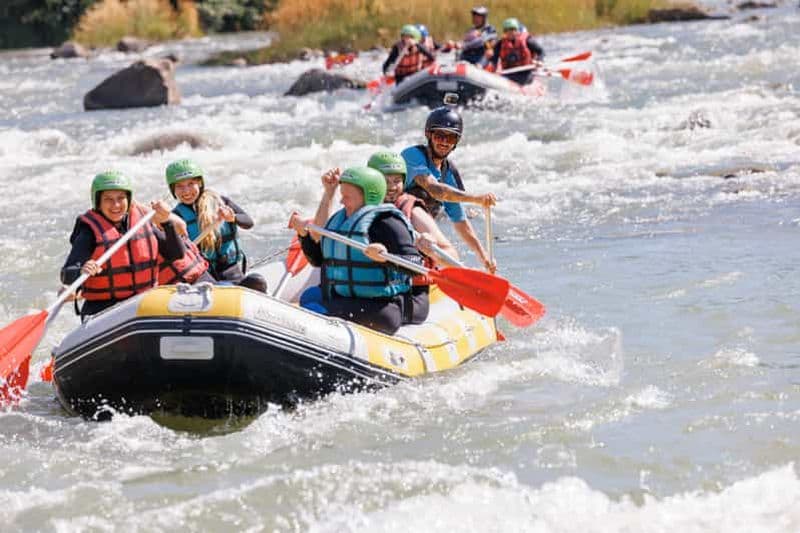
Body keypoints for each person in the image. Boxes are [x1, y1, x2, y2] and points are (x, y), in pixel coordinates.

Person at [288, 167, 428, 335]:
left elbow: (416, 264)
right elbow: (318, 260)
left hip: (382, 308)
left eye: (346, 197)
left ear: (369, 196)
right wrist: (304, 236)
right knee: (309, 296)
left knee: (312, 307)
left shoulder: (387, 222)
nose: (341, 202)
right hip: (348, 299)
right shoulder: (341, 219)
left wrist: (387, 258)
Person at [61, 171, 187, 318]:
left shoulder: (140, 221)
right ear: (98, 202)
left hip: (143, 302)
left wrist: (166, 222)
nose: (116, 205)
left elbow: (176, 254)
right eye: (108, 199)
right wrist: (82, 270)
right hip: (104, 308)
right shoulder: (88, 232)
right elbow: (66, 274)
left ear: (129, 199)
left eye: (121, 198)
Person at [401, 106, 497, 273]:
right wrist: (476, 199)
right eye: (439, 136)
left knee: (452, 254)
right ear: (428, 134)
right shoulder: (413, 155)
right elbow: (434, 189)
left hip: (420, 234)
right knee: (446, 251)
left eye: (451, 137)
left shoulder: (449, 173)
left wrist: (483, 256)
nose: (444, 142)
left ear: (456, 142)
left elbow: (460, 222)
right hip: (398, 220)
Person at [165, 159, 265, 291]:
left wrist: (232, 217)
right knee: (220, 288)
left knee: (257, 281)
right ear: (173, 190)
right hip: (203, 275)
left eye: (191, 184)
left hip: (230, 269)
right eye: (179, 186)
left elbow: (248, 222)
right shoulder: (176, 217)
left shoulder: (221, 201)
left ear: (200, 183)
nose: (186, 191)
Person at [367, 150, 459, 266]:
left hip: (410, 281)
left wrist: (432, 252)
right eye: (385, 181)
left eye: (397, 181)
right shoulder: (362, 206)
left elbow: (453, 256)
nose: (392, 187)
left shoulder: (414, 212)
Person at [489, 18, 545, 86]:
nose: (510, 33)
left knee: (516, 79)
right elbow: (494, 59)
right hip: (508, 73)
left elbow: (541, 51)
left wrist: (540, 60)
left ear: (517, 30)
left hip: (525, 73)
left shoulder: (527, 40)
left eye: (512, 30)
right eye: (507, 30)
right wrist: (493, 70)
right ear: (504, 32)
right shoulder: (500, 44)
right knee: (502, 78)